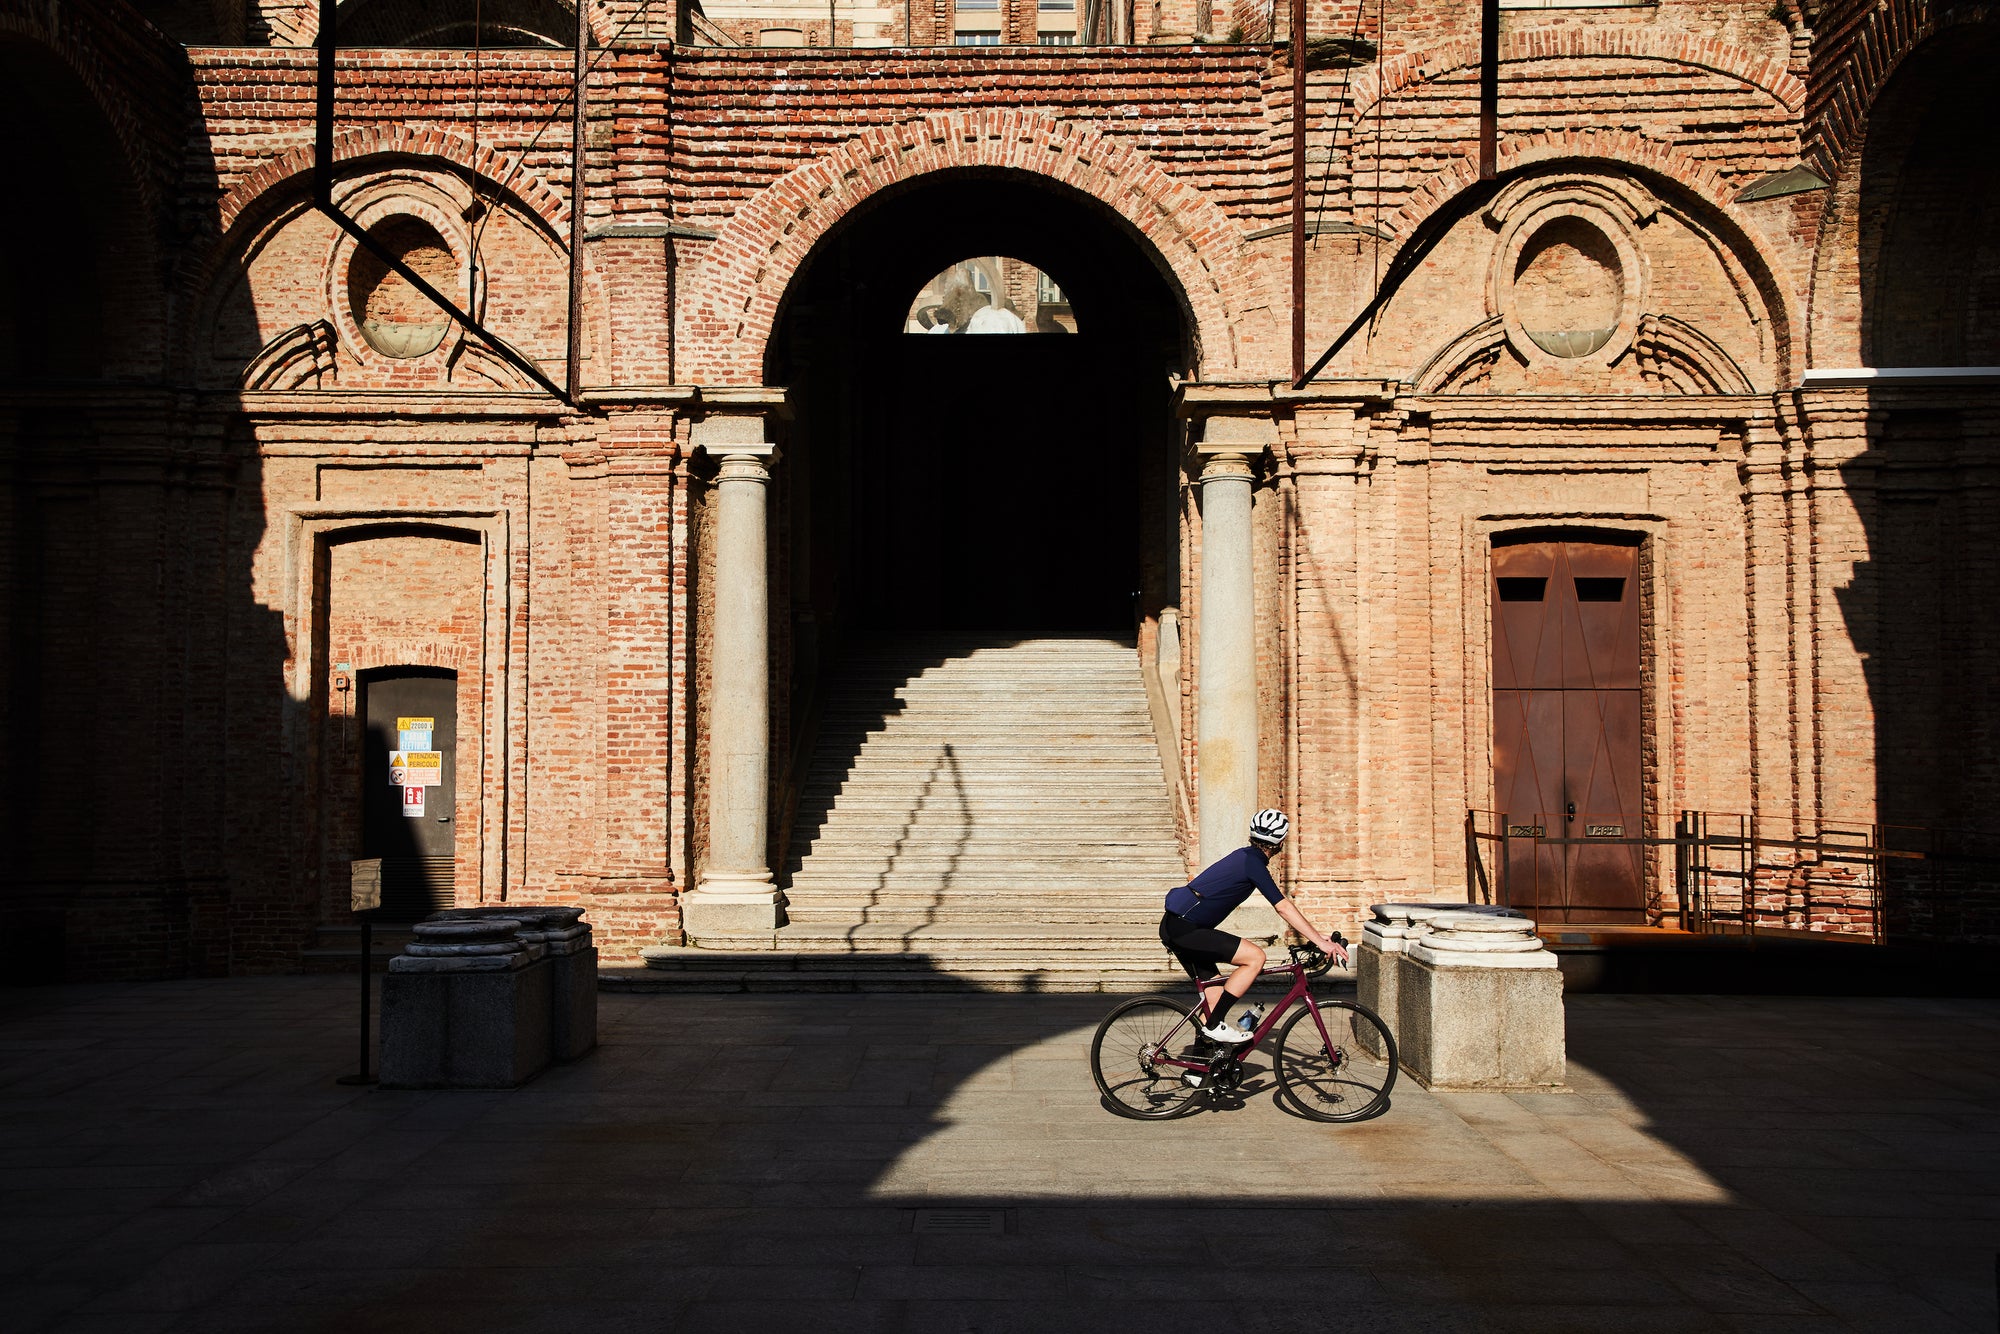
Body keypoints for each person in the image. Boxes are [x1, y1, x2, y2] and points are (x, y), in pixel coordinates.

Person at [1159, 808, 1348, 1045]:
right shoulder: (1253, 864)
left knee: (1215, 994)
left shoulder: (1245, 857)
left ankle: (1198, 1071)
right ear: (1280, 843)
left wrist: (1315, 935)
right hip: (1185, 929)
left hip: (1177, 926)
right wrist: (1321, 943)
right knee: (1255, 957)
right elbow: (1282, 907)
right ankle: (1215, 1026)